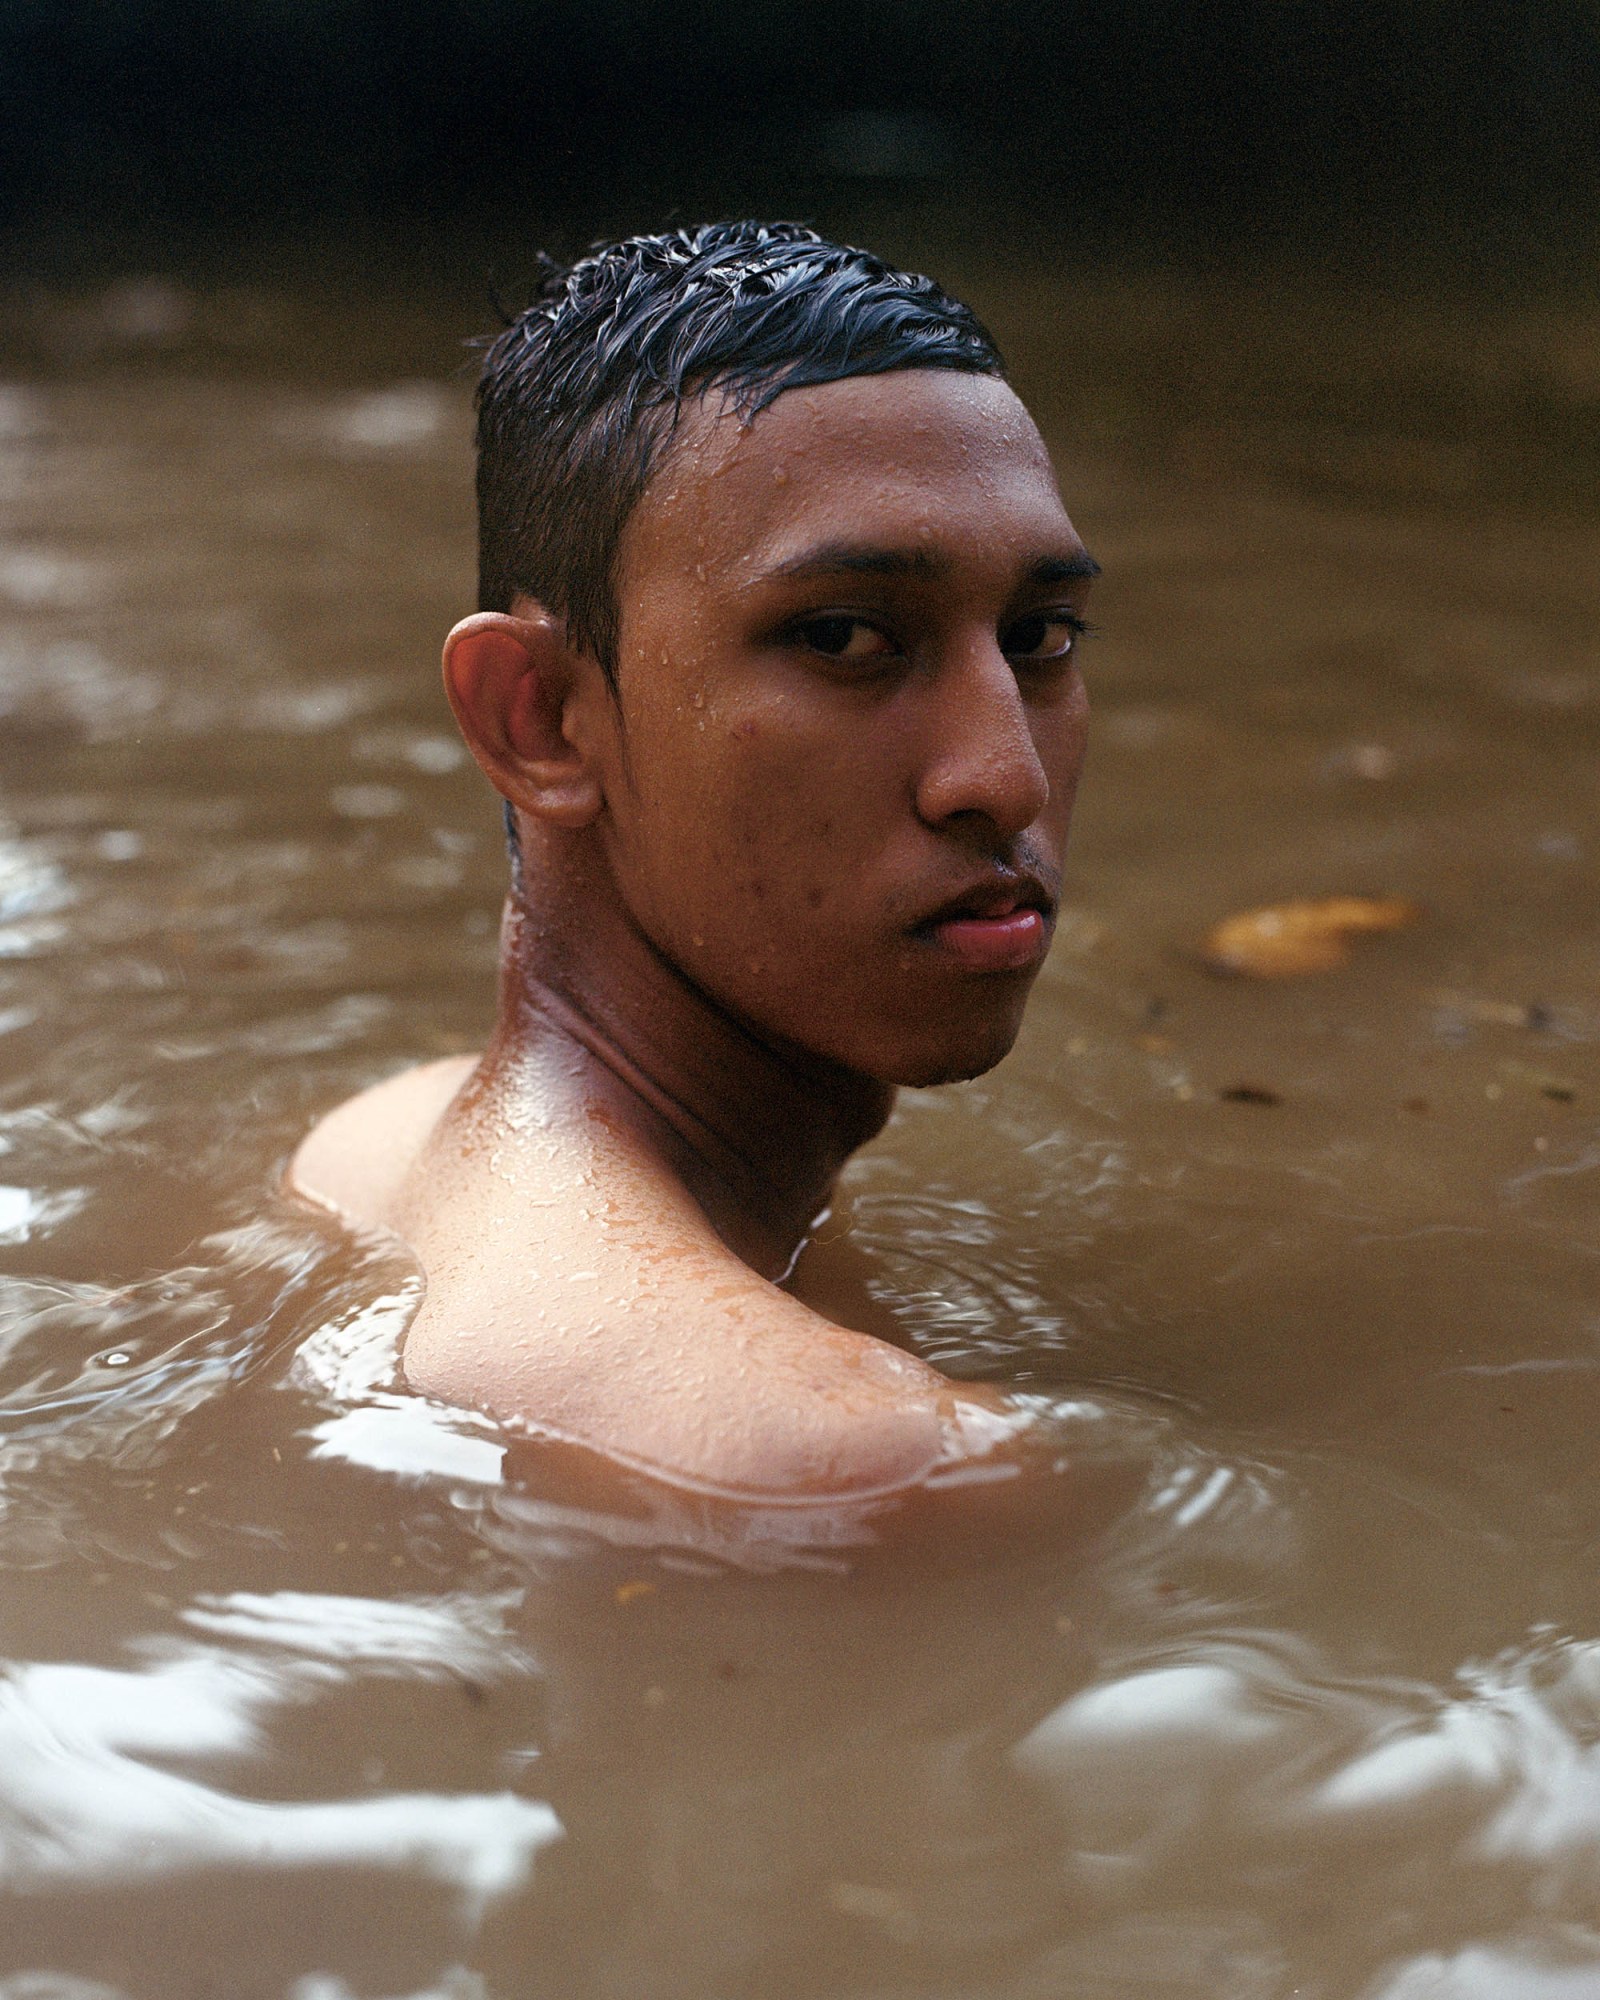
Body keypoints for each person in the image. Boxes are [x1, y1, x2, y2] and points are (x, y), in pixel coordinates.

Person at [292, 222, 1100, 1506]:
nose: (1003, 778)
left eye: (1039, 635)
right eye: (845, 637)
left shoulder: (374, 1152)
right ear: (541, 718)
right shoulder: (865, 1461)